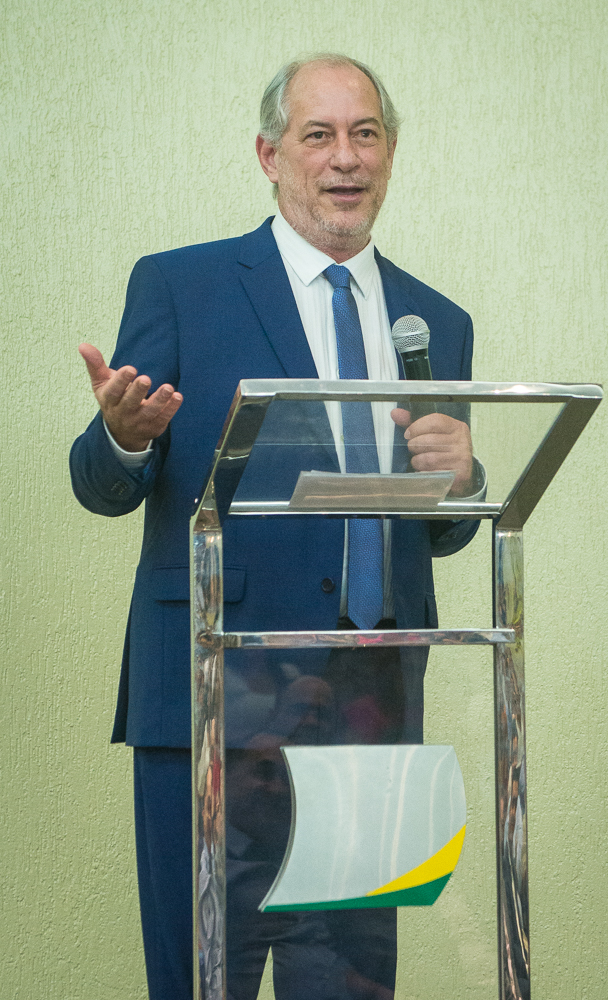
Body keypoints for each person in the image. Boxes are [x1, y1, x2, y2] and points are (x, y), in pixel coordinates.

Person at [70, 54, 480, 1000]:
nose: (346, 158)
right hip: (217, 699)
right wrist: (124, 437)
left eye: (365, 134)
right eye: (319, 135)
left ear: (389, 152)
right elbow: (101, 486)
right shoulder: (181, 286)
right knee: (200, 978)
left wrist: (465, 481)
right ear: (270, 155)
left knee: (351, 984)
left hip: (372, 713)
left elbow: (442, 528)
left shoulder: (435, 322)